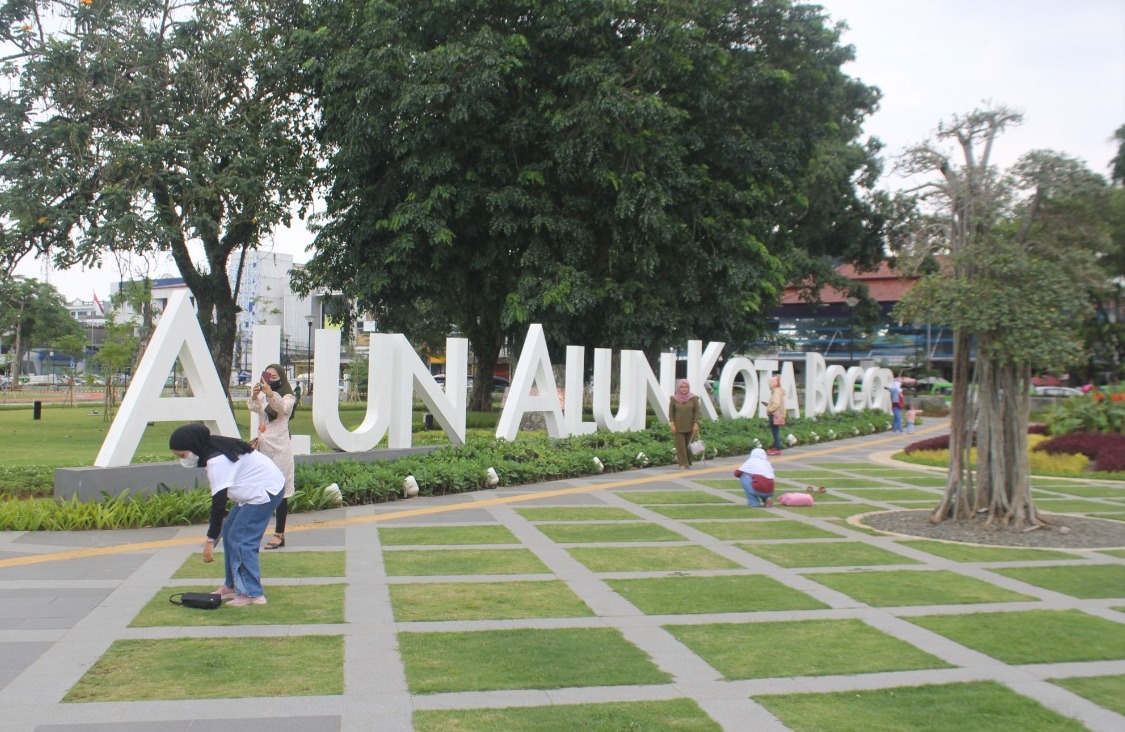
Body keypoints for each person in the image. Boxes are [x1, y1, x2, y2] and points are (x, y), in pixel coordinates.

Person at [169, 424, 284, 606]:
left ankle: (252, 593)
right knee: (231, 531)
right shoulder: (213, 448)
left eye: (182, 455)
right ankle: (231, 587)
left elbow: (219, 505)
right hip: (255, 490)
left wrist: (209, 541)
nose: (183, 460)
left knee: (241, 539)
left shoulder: (217, 461)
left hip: (265, 492)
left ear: (194, 446)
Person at [248, 364, 296, 550]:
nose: (270, 379)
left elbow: (283, 409)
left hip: (280, 450)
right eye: (268, 376)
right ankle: (257, 530)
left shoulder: (287, 397)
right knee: (262, 490)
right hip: (263, 449)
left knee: (281, 492)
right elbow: (254, 407)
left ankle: (279, 534)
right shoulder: (264, 397)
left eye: (274, 376)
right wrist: (255, 395)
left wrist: (270, 393)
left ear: (281, 378)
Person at [668, 379, 702, 469]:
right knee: (680, 446)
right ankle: (682, 463)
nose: (684, 389)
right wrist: (672, 425)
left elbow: (697, 412)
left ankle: (688, 462)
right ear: (678, 388)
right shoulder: (674, 399)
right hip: (678, 427)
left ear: (688, 387)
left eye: (686, 387)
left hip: (691, 426)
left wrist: (696, 423)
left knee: (690, 446)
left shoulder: (693, 398)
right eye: (682, 387)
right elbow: (671, 413)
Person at [764, 375, 785, 456]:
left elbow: (776, 404)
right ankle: (776, 447)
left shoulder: (776, 392)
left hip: (774, 414)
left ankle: (776, 448)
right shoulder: (779, 391)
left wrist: (769, 409)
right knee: (776, 431)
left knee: (775, 432)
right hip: (777, 414)